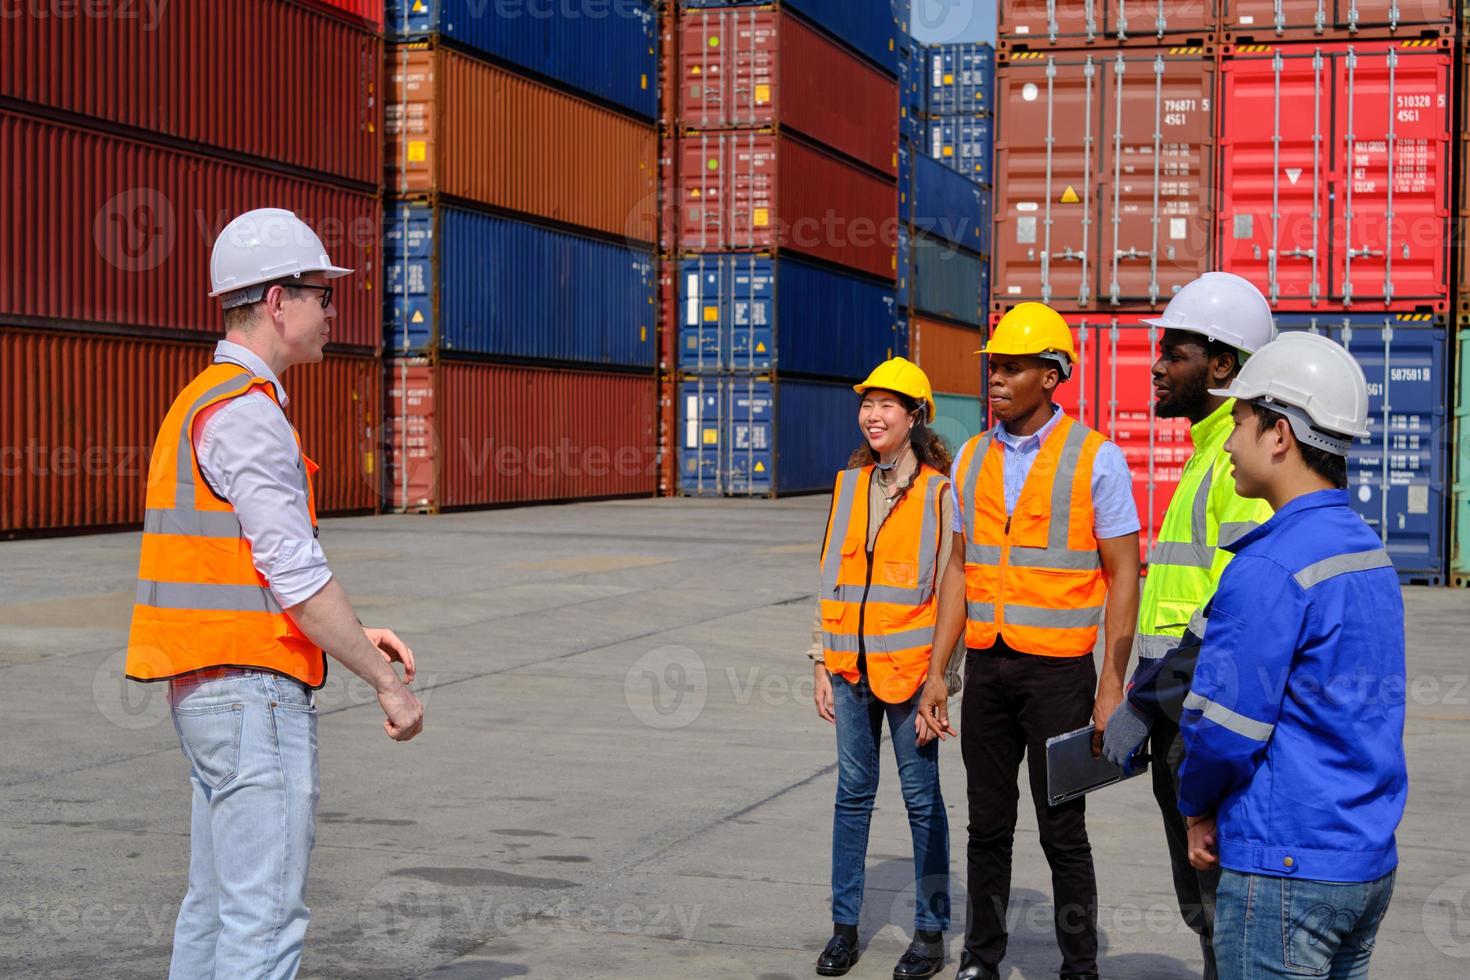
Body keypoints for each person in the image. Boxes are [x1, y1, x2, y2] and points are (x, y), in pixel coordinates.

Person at [125, 208, 425, 979]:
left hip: (205, 691)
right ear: (275, 302)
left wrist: (359, 630)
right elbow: (296, 577)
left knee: (217, 907)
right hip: (252, 699)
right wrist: (385, 682)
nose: (330, 312)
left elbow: (254, 571)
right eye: (322, 294)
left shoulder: (199, 401)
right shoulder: (248, 417)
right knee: (264, 922)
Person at [1173, 331, 1407, 979]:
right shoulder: (1367, 550)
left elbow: (1226, 729)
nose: (1227, 440)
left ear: (1280, 435)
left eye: (1240, 421)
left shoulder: (1268, 567)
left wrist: (1194, 804)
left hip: (1286, 870)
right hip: (1364, 861)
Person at [917, 303, 1141, 980]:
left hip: (1060, 677)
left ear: (1051, 375)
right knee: (986, 827)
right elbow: (960, 569)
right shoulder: (972, 459)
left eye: (1012, 367)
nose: (997, 378)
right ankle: (981, 960)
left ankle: (1080, 968)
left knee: (1062, 832)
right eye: (995, 366)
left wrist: (1111, 686)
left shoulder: (1096, 459)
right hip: (987, 668)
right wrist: (938, 671)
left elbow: (1125, 572)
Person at [1098, 272, 1276, 980]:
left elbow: (1235, 617)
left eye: (1175, 352)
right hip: (1176, 717)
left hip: (1200, 726)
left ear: (1223, 364)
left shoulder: (1234, 470)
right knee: (1206, 914)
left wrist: (1150, 700)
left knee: (1224, 914)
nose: (1157, 365)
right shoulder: (1208, 456)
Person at [809, 357, 961, 979]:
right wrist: (820, 659)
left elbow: (956, 593)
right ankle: (845, 929)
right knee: (851, 796)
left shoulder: (938, 493)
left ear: (914, 416)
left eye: (887, 405)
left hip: (911, 676)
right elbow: (829, 578)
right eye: (868, 403)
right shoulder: (848, 486)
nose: (873, 414)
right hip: (849, 671)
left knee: (923, 801)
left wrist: (941, 683)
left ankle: (929, 933)